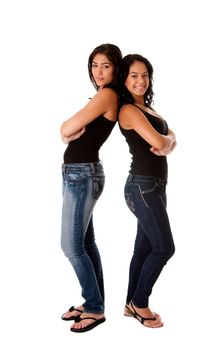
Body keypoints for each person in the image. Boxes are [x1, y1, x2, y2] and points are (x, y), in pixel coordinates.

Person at [60, 43, 122, 333]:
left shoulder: (108, 95)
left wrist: (68, 132)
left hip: (82, 175)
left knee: (71, 246)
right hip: (80, 173)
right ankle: (94, 302)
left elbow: (65, 129)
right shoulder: (102, 95)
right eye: (95, 65)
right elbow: (69, 132)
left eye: (105, 65)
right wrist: (69, 133)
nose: (98, 71)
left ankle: (95, 308)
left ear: (115, 68)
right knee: (85, 244)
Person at [118, 54, 176, 328]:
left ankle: (131, 303)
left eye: (144, 75)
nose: (141, 80)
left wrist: (168, 141)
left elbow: (170, 138)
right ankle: (141, 303)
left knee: (143, 248)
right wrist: (166, 141)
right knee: (164, 248)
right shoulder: (129, 110)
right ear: (124, 79)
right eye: (133, 76)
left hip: (154, 187)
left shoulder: (149, 109)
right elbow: (160, 142)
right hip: (142, 187)